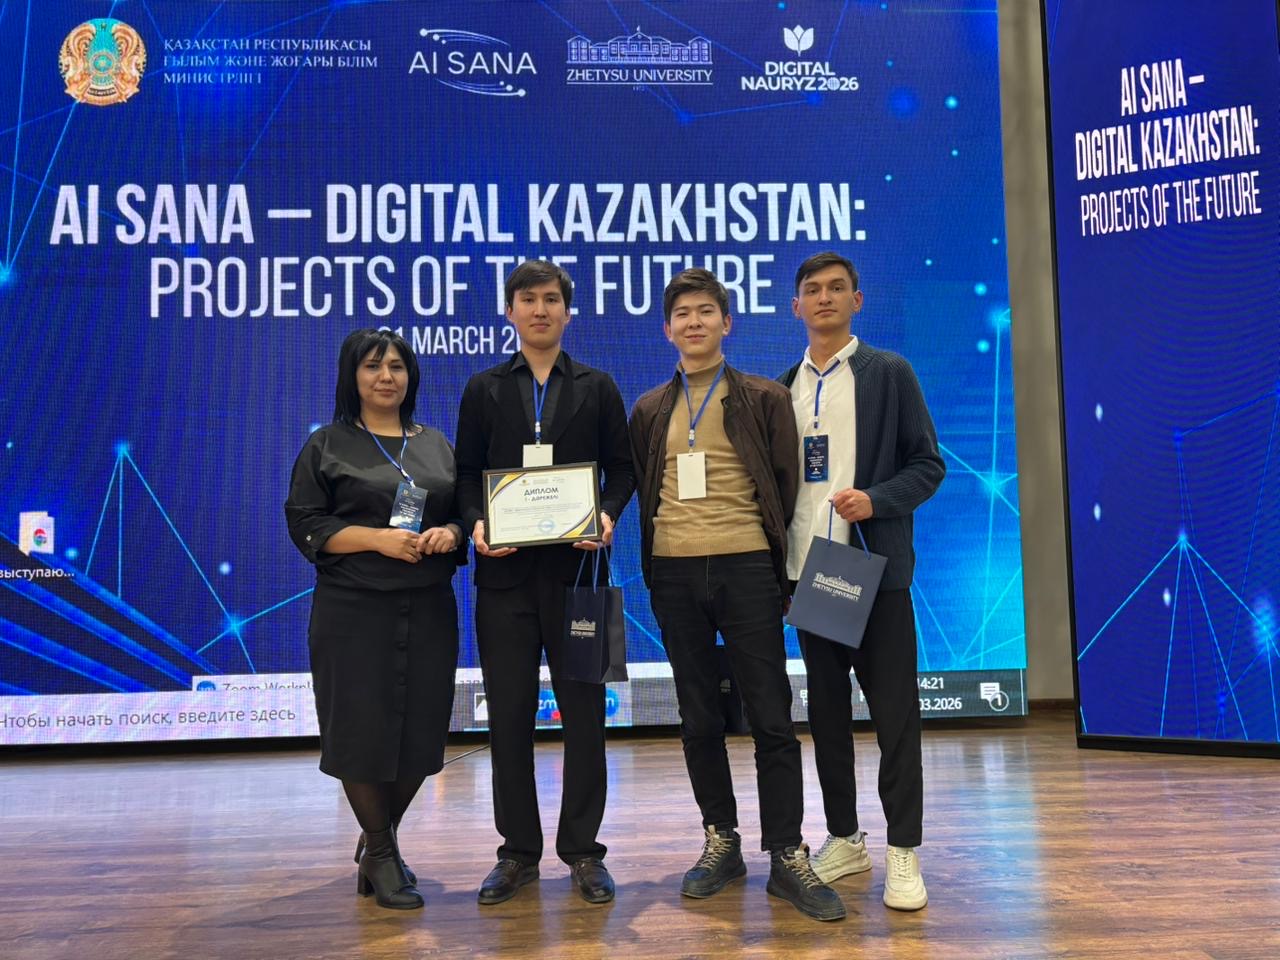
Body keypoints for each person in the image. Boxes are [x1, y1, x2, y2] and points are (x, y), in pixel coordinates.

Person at [628, 267, 845, 922]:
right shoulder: (648, 409)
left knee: (772, 715)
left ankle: (786, 853)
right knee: (698, 717)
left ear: (727, 323)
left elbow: (785, 486)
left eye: (706, 311)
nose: (694, 322)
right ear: (667, 330)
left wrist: (780, 571)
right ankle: (721, 840)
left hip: (748, 567)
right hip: (672, 572)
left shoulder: (763, 398)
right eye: (682, 314)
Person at [455, 260, 635, 906]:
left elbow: (622, 469)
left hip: (580, 577)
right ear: (509, 312)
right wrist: (476, 524)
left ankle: (584, 851)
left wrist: (607, 514)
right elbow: (466, 475)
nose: (540, 309)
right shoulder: (483, 388)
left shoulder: (597, 385)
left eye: (551, 299)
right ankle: (517, 853)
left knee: (586, 718)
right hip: (503, 580)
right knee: (508, 720)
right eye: (527, 299)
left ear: (567, 311)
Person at [781, 251, 945, 911]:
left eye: (836, 288)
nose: (824, 298)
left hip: (874, 573)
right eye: (812, 290)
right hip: (812, 574)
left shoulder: (889, 373)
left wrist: (876, 501)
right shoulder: (783, 388)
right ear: (796, 305)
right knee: (826, 717)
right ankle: (845, 838)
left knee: (896, 717)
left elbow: (928, 465)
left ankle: (904, 850)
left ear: (857, 300)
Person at [285, 327, 466, 910]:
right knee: (360, 730)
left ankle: (378, 843)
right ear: (352, 376)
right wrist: (376, 539)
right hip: (353, 609)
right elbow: (306, 523)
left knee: (421, 732)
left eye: (396, 366)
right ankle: (383, 853)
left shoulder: (435, 443)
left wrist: (451, 532)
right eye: (372, 366)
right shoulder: (328, 444)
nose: (386, 376)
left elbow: (463, 514)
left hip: (429, 605)